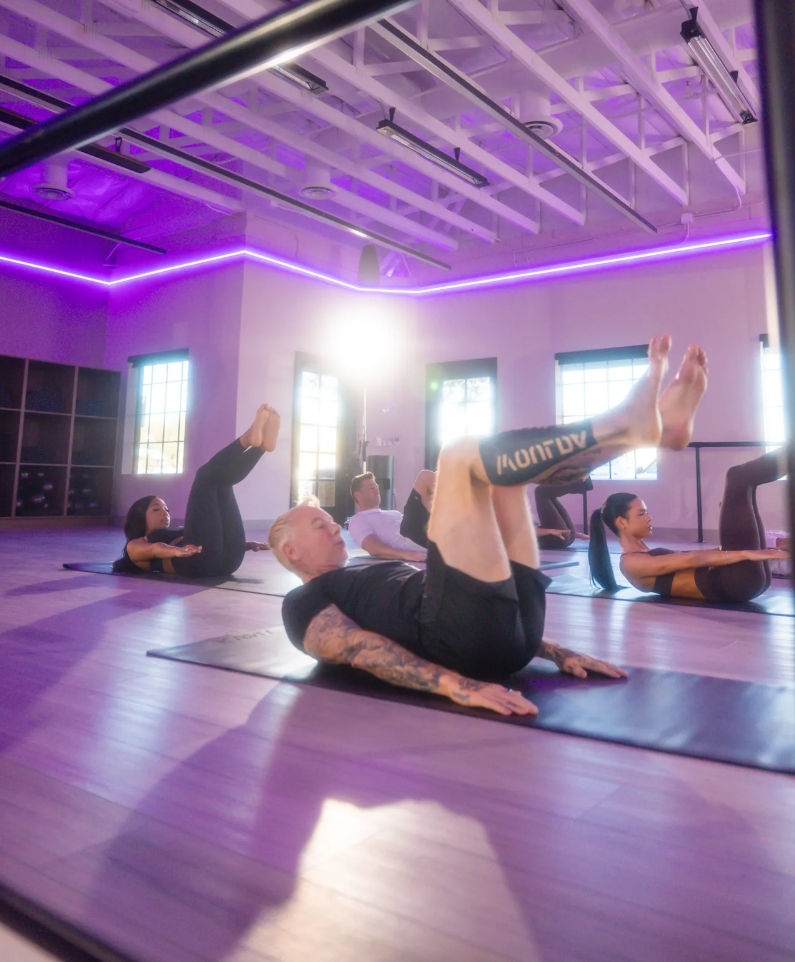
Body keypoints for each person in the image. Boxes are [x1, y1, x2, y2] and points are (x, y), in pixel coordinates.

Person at [268, 334, 705, 717]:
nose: (331, 526)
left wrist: (554, 650)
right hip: (455, 639)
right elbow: (359, 649)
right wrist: (456, 687)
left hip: (512, 631)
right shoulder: (302, 601)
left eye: (327, 519)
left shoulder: (356, 575)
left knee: (503, 480)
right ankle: (625, 427)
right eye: (318, 524)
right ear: (291, 552)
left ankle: (647, 432)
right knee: (458, 455)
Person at [588, 448, 789, 601]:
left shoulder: (643, 553)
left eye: (647, 513)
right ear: (621, 522)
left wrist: (750, 549)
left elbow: (689, 557)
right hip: (735, 582)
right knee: (737, 477)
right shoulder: (630, 563)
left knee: (746, 486)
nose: (649, 518)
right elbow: (692, 560)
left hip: (740, 581)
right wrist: (747, 553)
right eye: (641, 514)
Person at [114, 404, 280, 577]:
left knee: (222, 483)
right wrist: (177, 552)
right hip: (198, 563)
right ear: (139, 517)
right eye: (156, 509)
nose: (165, 513)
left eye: (167, 509)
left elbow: (211, 535)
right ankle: (247, 441)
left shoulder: (177, 531)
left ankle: (260, 448)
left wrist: (246, 545)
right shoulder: (135, 545)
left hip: (230, 559)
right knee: (204, 476)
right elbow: (156, 549)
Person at [347, 470, 432, 561]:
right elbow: (373, 548)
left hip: (427, 532)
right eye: (372, 488)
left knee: (439, 479)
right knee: (425, 477)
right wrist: (409, 555)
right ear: (358, 495)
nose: (377, 491)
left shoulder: (393, 513)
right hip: (410, 536)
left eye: (377, 487)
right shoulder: (358, 520)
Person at [534, 478, 592, 548]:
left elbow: (536, 529)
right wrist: (552, 531)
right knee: (540, 492)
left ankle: (581, 484)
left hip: (564, 536)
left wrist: (579, 535)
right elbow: (529, 532)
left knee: (548, 495)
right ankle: (580, 483)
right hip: (556, 539)